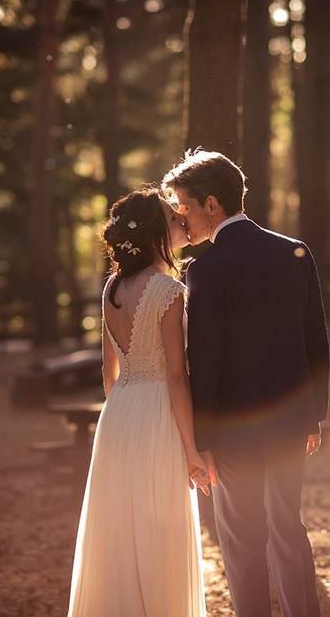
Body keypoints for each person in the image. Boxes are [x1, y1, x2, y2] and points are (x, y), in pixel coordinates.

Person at [164, 149, 330, 617]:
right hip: (291, 421)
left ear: (211, 205)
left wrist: (204, 438)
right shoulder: (293, 251)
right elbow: (315, 337)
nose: (183, 217)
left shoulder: (207, 269)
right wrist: (313, 415)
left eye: (185, 207)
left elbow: (207, 359)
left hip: (235, 430)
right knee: (288, 529)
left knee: (241, 541)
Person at [67, 188, 209, 617]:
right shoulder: (168, 290)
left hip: (120, 414)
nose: (181, 222)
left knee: (120, 527)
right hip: (158, 412)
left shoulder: (113, 286)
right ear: (153, 237)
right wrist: (191, 450)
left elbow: (109, 374)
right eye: (172, 219)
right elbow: (176, 376)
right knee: (158, 524)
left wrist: (122, 415)